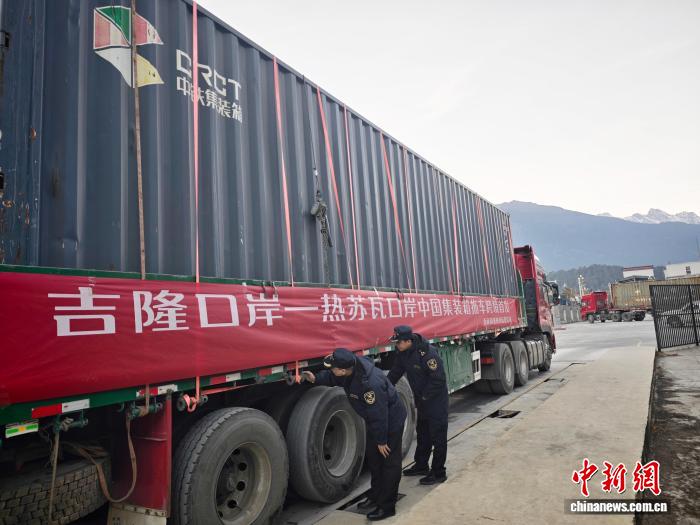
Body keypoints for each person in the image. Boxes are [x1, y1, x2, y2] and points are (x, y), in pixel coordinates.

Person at [302, 348, 406, 521]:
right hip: (375, 422)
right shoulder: (350, 369)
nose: (331, 370)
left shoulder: (370, 385)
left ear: (343, 370)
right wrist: (315, 378)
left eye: (333, 368)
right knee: (374, 461)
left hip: (389, 424)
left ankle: (387, 506)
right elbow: (333, 377)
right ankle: (376, 496)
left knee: (389, 465)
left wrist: (381, 440)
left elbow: (379, 415)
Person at [387, 325, 449, 485]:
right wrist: (384, 387)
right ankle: (421, 465)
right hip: (422, 402)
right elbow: (395, 372)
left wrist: (424, 397)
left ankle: (439, 472)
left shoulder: (427, 354)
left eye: (398, 342)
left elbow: (439, 380)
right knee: (423, 434)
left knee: (438, 437)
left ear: (408, 341)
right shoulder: (403, 353)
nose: (396, 345)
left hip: (435, 402)